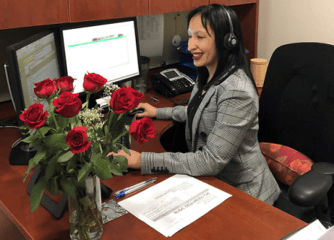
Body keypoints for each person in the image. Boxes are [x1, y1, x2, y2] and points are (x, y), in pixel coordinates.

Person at [114, 4, 280, 205]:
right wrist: (159, 111)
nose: (190, 45)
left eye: (200, 37)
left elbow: (209, 161)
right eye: (190, 35)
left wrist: (140, 160)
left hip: (246, 195)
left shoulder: (237, 91)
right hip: (214, 185)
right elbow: (200, 111)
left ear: (227, 41)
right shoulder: (208, 72)